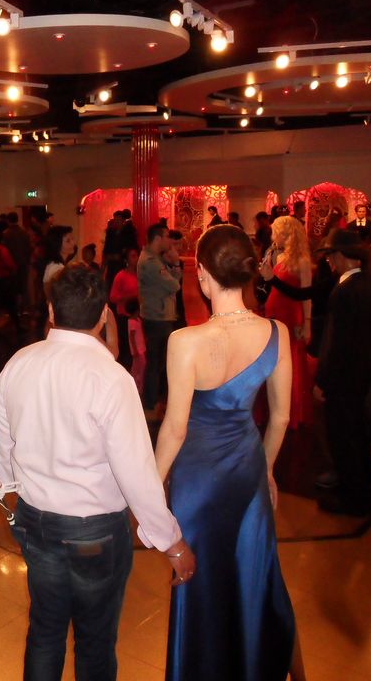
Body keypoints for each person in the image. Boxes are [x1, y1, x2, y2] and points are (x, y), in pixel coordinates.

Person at [0, 266, 195, 681]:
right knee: (95, 641)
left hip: (34, 521)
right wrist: (171, 542)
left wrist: (15, 499)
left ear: (51, 311)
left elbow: (5, 448)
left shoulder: (18, 364)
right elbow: (136, 473)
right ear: (104, 315)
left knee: (44, 631)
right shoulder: (111, 378)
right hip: (94, 532)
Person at [153, 224, 303, 681]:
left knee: (201, 585)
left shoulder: (185, 341)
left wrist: (148, 489)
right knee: (251, 575)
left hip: (197, 482)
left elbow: (175, 429)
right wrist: (266, 470)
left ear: (201, 273)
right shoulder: (276, 332)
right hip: (247, 472)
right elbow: (279, 418)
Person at [313, 229, 371, 516]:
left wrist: (322, 380)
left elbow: (335, 342)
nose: (329, 261)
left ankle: (353, 497)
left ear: (342, 256)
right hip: (362, 369)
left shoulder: (345, 290)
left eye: (331, 255)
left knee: (342, 435)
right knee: (358, 430)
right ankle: (365, 481)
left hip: (342, 375)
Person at [262, 215, 313, 429]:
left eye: (276, 232)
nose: (273, 236)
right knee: (274, 358)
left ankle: (292, 410)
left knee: (290, 359)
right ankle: (275, 407)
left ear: (286, 234)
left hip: (291, 314)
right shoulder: (279, 256)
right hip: (274, 311)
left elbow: (307, 296)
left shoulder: (302, 261)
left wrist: (307, 323)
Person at [138, 224, 181, 412]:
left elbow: (174, 280)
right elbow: (174, 285)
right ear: (157, 238)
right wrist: (176, 263)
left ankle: (154, 401)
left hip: (161, 315)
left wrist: (174, 265)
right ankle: (150, 403)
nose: (169, 241)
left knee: (159, 362)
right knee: (156, 363)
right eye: (166, 236)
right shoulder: (150, 262)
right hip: (157, 317)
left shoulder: (156, 259)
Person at [109, 247, 140, 371]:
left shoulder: (140, 275)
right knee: (127, 349)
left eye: (137, 255)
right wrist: (129, 296)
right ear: (126, 259)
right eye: (132, 256)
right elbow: (113, 297)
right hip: (125, 316)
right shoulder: (121, 276)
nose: (136, 259)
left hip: (138, 315)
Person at [126, 297, 146, 394]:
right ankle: (137, 388)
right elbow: (132, 337)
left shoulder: (137, 319)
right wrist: (135, 350)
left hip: (141, 348)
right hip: (138, 350)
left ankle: (136, 387)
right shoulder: (132, 321)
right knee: (139, 369)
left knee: (138, 369)